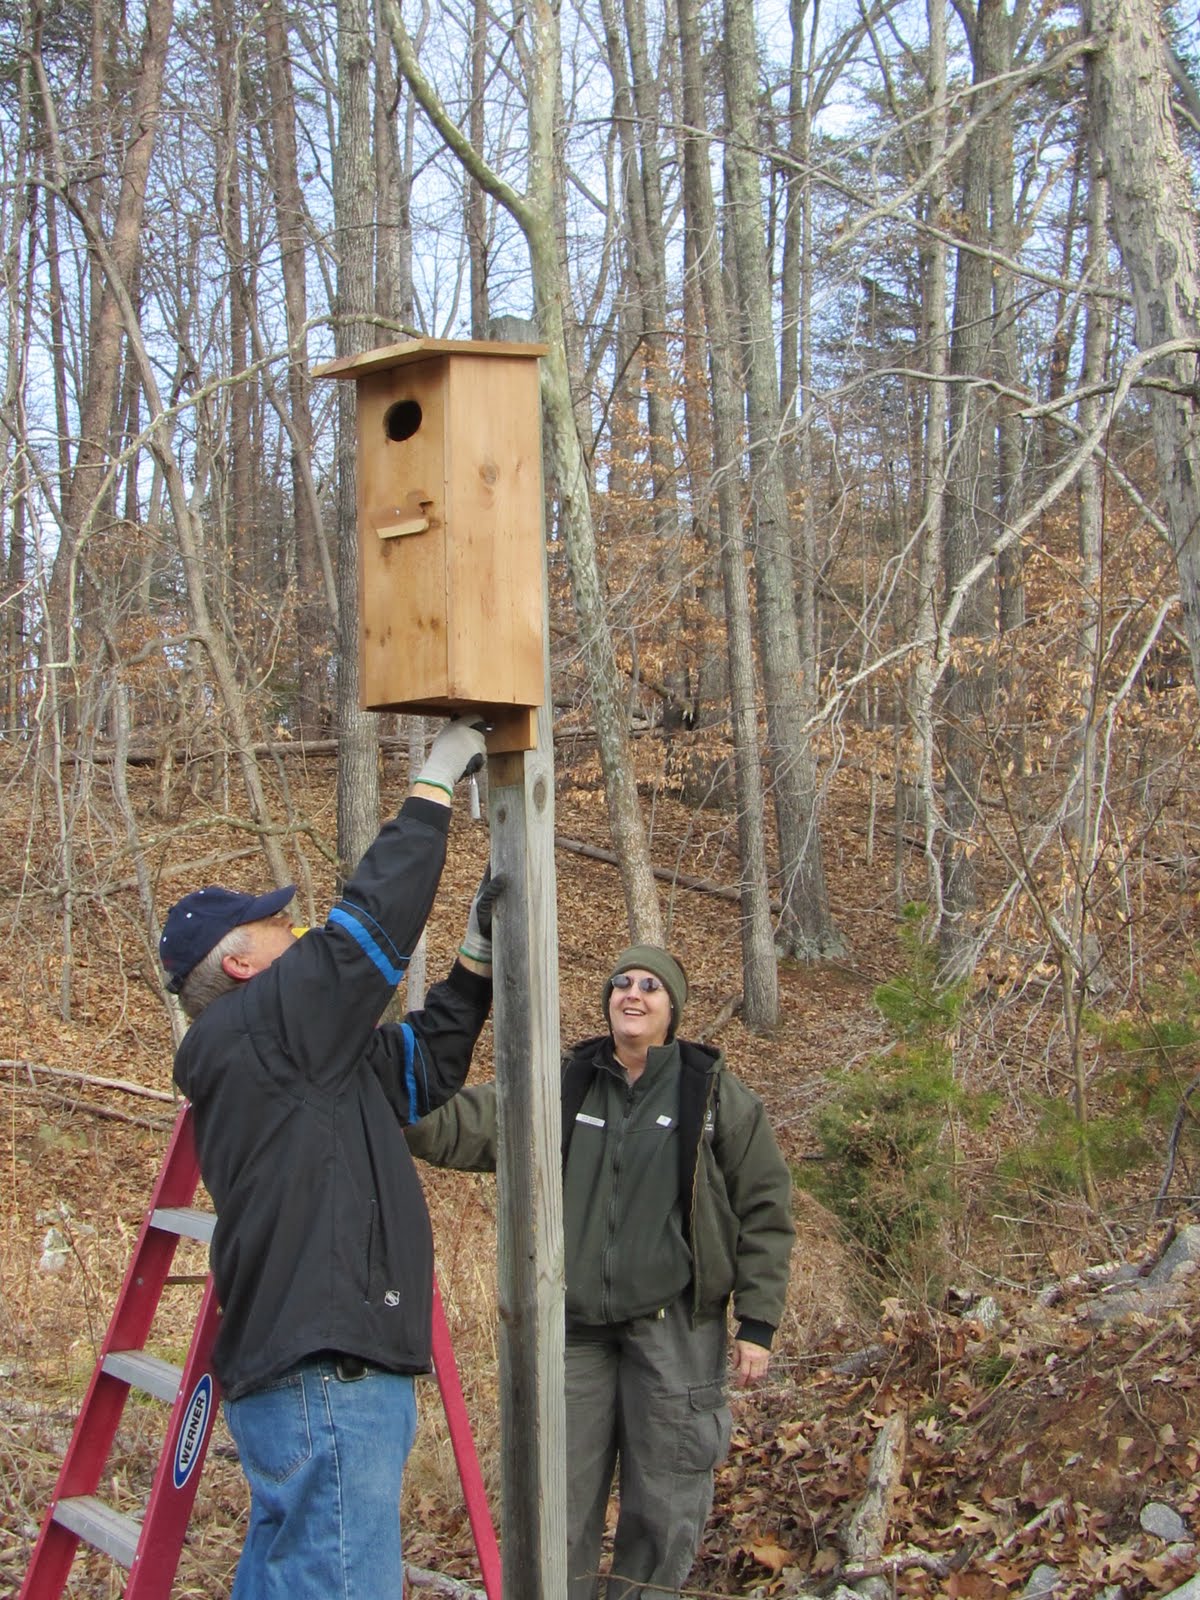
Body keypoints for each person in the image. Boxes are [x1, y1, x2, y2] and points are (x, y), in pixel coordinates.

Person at [159, 714, 499, 1600]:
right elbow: (370, 927)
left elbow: (427, 1068)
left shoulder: (303, 1057)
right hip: (329, 1376)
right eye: (276, 930)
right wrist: (440, 776)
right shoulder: (264, 1028)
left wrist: (477, 953)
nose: (295, 932)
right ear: (239, 968)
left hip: (309, 1377)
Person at [405, 942, 794, 1599]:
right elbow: (468, 1125)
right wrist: (393, 1101)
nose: (632, 994)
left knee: (666, 1504)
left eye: (650, 986)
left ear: (672, 1009)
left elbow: (765, 1207)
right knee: (555, 1504)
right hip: (573, 1332)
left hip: (673, 1328)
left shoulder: (711, 1095)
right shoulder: (564, 1085)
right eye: (622, 984)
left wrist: (757, 1322)